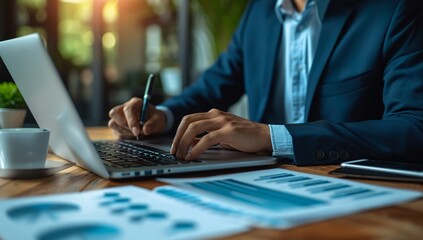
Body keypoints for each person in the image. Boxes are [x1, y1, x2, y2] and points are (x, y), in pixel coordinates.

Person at [108, 0, 423, 166]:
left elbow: (413, 127)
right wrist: (162, 115)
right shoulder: (259, 12)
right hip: (261, 182)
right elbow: (212, 88)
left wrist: (271, 136)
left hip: (356, 190)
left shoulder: (394, 9)